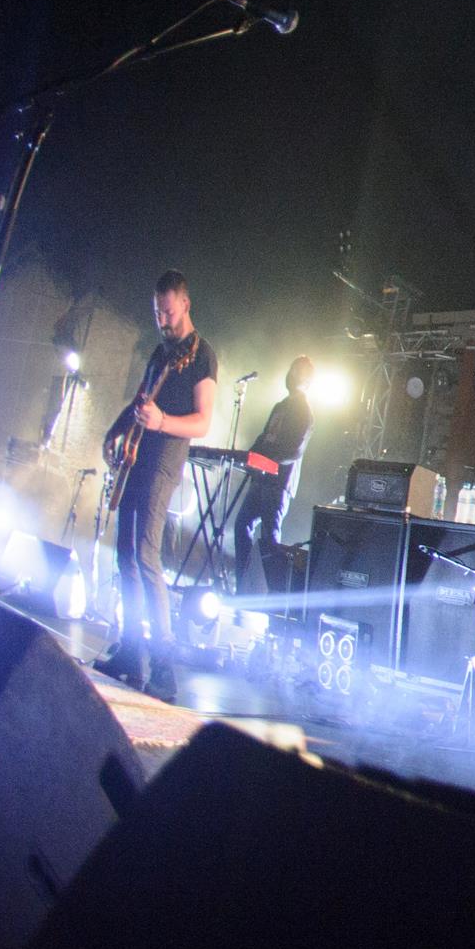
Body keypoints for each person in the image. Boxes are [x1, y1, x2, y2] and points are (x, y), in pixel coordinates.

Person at [94, 271, 218, 701]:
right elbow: (139, 401)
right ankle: (131, 653)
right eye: (157, 312)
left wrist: (162, 421)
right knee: (125, 555)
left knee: (146, 556)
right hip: (137, 456)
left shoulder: (203, 356)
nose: (162, 320)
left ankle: (164, 669)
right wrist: (114, 431)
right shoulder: (160, 352)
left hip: (164, 461)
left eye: (167, 311)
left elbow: (203, 421)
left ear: (185, 305)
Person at [233, 356, 315, 595]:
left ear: (307, 380)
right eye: (292, 370)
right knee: (242, 525)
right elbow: (264, 436)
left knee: (269, 538)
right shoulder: (280, 406)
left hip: (279, 483)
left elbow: (295, 451)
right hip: (261, 479)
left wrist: (268, 462)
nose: (292, 375)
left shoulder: (304, 411)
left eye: (297, 372)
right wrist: (249, 456)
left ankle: (268, 592)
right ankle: (244, 586)